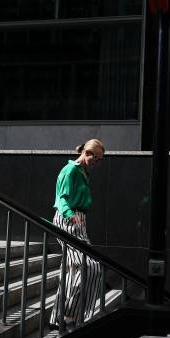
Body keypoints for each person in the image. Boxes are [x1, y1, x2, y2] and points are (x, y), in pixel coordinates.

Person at [49, 139, 104, 328]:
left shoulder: (83, 173)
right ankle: (70, 315)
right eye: (97, 159)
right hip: (68, 219)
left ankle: (58, 316)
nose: (98, 163)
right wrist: (71, 215)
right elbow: (61, 198)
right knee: (89, 266)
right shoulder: (71, 170)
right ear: (88, 153)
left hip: (79, 221)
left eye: (100, 160)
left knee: (73, 270)